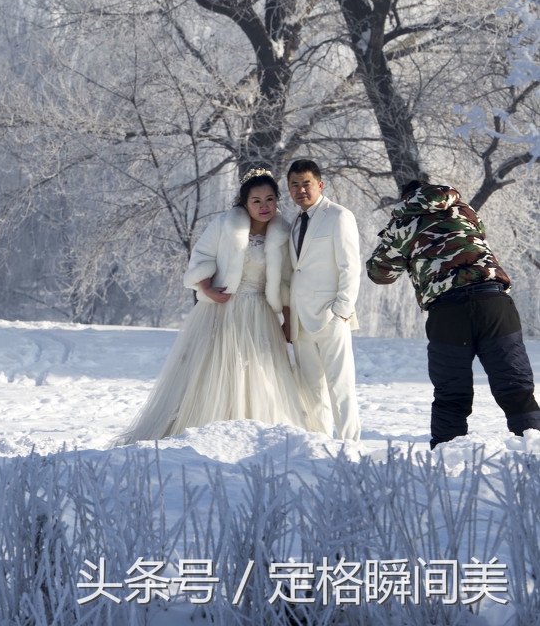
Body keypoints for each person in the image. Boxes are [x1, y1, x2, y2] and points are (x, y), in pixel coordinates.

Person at [115, 167, 313, 444]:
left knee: (259, 374)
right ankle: (208, 433)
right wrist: (205, 287)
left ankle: (258, 437)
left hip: (260, 314)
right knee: (218, 371)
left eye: (270, 199)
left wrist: (288, 318)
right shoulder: (225, 224)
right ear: (244, 203)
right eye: (256, 201)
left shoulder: (282, 232)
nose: (264, 206)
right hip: (223, 309)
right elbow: (201, 257)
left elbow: (287, 279)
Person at [367, 179, 540, 448]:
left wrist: (407, 252)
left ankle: (446, 468)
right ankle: (535, 455)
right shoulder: (463, 209)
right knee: (516, 387)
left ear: (405, 199)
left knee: (451, 396)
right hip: (493, 301)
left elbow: (379, 273)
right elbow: (476, 238)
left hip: (449, 312)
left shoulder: (401, 223)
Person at [287, 158, 362, 441]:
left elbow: (350, 267)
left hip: (331, 317)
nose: (300, 190)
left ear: (319, 184)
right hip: (301, 321)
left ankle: (349, 445)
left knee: (340, 387)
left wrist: (341, 311)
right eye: (294, 185)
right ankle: (318, 446)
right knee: (310, 392)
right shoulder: (294, 221)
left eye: (305, 183)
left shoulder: (338, 216)